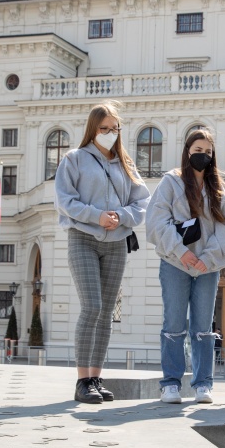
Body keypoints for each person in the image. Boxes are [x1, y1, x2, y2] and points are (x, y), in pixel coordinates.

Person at [55, 102, 150, 404]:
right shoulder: (75, 159)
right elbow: (64, 200)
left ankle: (96, 378)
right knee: (92, 306)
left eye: (114, 129)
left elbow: (142, 204)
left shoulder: (126, 164)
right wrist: (97, 216)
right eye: (104, 129)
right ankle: (82, 380)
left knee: (107, 312)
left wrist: (121, 216)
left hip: (116, 243)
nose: (110, 133)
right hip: (83, 238)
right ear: (93, 129)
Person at [146, 129, 225, 404]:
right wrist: (181, 252)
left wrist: (207, 258)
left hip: (207, 268)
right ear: (187, 151)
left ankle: (203, 384)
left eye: (208, 152)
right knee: (173, 323)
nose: (203, 156)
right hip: (175, 264)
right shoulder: (170, 183)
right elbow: (156, 221)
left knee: (203, 326)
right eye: (198, 150)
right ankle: (171, 383)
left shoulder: (218, 188)